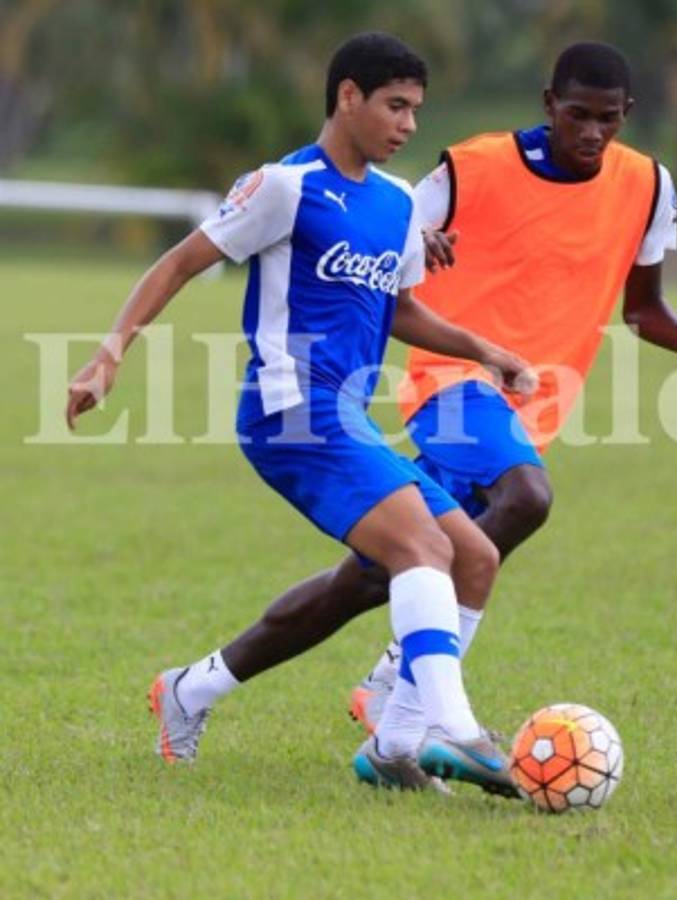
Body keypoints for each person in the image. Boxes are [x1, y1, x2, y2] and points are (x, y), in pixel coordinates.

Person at [141, 41, 677, 790]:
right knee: (524, 498)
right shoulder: (468, 167)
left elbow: (643, 308)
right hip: (449, 386)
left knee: (374, 579)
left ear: (627, 116)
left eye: (609, 119)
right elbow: (377, 232)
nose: (592, 132)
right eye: (578, 115)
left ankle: (197, 688)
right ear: (548, 104)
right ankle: (422, 707)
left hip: (524, 400)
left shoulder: (647, 185)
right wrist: (424, 248)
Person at [65, 33, 534, 795]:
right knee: (423, 548)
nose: (409, 125)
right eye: (395, 106)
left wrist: (484, 350)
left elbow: (399, 309)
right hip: (288, 411)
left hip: (346, 416)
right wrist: (109, 354)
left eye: (415, 109)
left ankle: (380, 742)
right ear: (347, 96)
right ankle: (453, 728)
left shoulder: (396, 202)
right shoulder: (284, 187)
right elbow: (180, 262)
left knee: (474, 556)